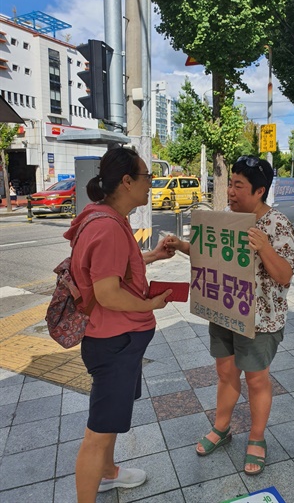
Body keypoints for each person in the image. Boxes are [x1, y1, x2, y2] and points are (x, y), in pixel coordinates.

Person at [165, 156, 294, 475]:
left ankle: (256, 437)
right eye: (231, 183)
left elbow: (284, 276)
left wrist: (264, 247)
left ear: (259, 191)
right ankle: (221, 427)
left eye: (239, 185)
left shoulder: (278, 224)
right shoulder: (224, 217)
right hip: (224, 310)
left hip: (260, 319)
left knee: (256, 378)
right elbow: (207, 255)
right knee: (225, 372)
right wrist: (182, 245)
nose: (231, 191)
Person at [63, 147, 175, 502]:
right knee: (97, 431)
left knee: (109, 420)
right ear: (127, 182)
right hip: (113, 343)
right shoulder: (109, 227)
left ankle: (109, 473)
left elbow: (114, 267)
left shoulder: (103, 216)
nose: (151, 184)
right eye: (147, 177)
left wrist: (152, 256)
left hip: (114, 341)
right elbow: (108, 292)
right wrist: (149, 303)